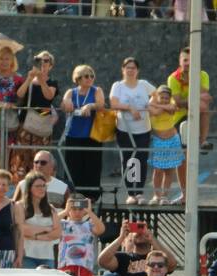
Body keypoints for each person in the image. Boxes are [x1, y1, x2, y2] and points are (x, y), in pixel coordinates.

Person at [111, 56, 154, 205]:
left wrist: (150, 105)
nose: (130, 70)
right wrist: (130, 108)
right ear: (123, 70)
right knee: (129, 160)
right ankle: (131, 193)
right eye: (127, 67)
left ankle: (140, 192)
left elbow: (157, 95)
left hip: (143, 129)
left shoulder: (143, 85)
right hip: (124, 129)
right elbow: (114, 103)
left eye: (133, 68)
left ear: (137, 70)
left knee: (141, 159)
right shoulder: (118, 86)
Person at [11, 50, 59, 181]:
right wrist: (29, 79)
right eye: (39, 60)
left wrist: (42, 81)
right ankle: (20, 187)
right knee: (21, 159)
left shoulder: (52, 82)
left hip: (42, 125)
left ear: (51, 65)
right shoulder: (29, 79)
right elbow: (20, 95)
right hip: (25, 125)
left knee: (41, 159)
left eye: (46, 61)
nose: (42, 63)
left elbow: (49, 96)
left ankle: (41, 185)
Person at [61, 64, 106, 203]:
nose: (90, 78)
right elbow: (64, 104)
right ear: (78, 78)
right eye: (86, 76)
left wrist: (90, 105)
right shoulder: (71, 92)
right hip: (73, 134)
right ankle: (73, 194)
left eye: (92, 76)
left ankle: (91, 196)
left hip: (92, 135)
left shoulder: (96, 90)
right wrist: (67, 103)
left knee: (92, 166)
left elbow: (101, 104)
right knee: (73, 165)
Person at [98, 220, 174, 276]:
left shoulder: (157, 258)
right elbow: (102, 261)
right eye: (136, 229)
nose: (139, 232)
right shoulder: (124, 257)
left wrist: (152, 239)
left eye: (142, 228)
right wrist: (121, 237)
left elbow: (172, 265)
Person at [167, 46, 211, 153]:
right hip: (178, 118)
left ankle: (202, 141)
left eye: (191, 60)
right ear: (180, 61)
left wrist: (195, 99)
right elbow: (178, 103)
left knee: (204, 106)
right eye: (185, 60)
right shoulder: (173, 78)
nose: (188, 63)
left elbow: (203, 98)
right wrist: (197, 97)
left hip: (197, 115)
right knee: (174, 161)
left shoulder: (203, 75)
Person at [146, 85, 184, 205]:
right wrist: (160, 105)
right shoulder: (152, 103)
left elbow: (173, 108)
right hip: (158, 140)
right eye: (161, 97)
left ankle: (164, 196)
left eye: (166, 98)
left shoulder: (168, 103)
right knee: (158, 170)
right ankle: (156, 196)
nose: (164, 99)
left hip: (173, 139)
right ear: (157, 96)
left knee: (169, 170)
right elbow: (155, 112)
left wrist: (159, 105)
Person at [56, 192, 104, 276]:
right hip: (66, 265)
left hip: (85, 266)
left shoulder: (89, 224)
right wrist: (65, 211)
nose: (77, 212)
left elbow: (101, 229)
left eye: (81, 209)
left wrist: (90, 212)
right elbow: (50, 223)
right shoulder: (63, 223)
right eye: (73, 209)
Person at [18, 172, 60, 269]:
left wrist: (34, 236)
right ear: (29, 188)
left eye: (43, 186)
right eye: (37, 186)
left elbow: (57, 233)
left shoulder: (51, 208)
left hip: (47, 256)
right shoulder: (20, 206)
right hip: (27, 255)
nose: (41, 189)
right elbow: (21, 229)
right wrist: (46, 229)